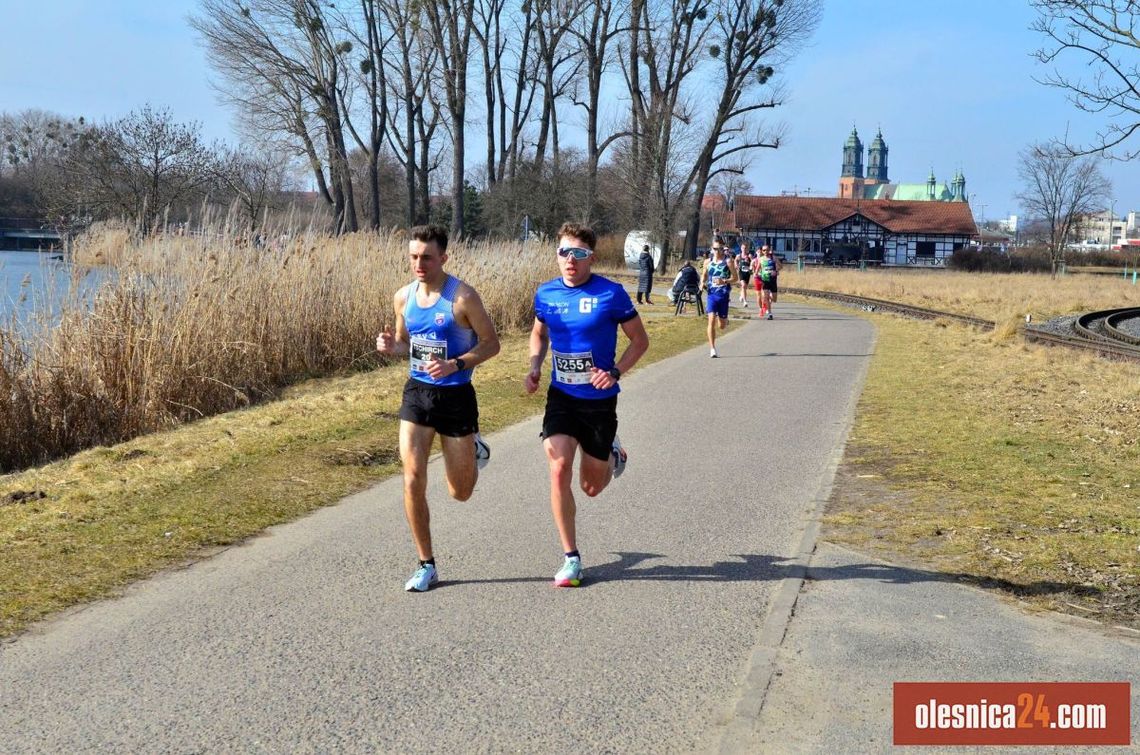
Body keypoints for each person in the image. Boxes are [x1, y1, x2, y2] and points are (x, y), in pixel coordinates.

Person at [376, 224, 501, 592]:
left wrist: (457, 364)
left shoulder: (462, 297)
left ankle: (476, 447)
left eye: (427, 257)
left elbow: (492, 345)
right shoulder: (403, 297)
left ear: (443, 258)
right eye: (414, 256)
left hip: (456, 396)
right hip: (417, 394)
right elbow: (403, 344)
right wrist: (389, 346)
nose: (419, 263)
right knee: (412, 476)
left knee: (460, 492)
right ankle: (426, 563)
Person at [524, 222, 650, 587]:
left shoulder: (611, 294)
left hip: (599, 402)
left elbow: (640, 341)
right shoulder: (546, 294)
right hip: (561, 397)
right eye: (564, 252)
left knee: (591, 488)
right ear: (557, 255)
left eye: (578, 253)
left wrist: (615, 371)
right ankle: (571, 558)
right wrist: (534, 365)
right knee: (559, 466)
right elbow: (538, 332)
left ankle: (613, 453)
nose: (570, 260)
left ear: (591, 257)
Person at [702, 240, 737, 357]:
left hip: (723, 295)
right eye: (715, 249)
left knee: (721, 326)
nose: (717, 251)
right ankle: (712, 348)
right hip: (711, 295)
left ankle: (724, 320)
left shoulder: (728, 262)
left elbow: (735, 278)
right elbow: (704, 274)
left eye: (720, 249)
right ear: (712, 249)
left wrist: (724, 281)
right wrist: (702, 283)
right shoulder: (707, 262)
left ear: (723, 249)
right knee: (710, 320)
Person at [757, 245, 783, 319]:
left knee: (774, 299)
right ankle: (770, 314)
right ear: (762, 251)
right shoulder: (760, 259)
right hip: (765, 280)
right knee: (766, 297)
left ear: (769, 250)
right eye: (764, 250)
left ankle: (771, 297)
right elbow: (757, 269)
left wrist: (776, 271)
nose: (766, 251)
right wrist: (757, 274)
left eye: (767, 250)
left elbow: (781, 266)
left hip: (773, 280)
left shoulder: (773, 257)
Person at [736, 241, 753, 307]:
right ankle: (745, 301)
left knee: (745, 287)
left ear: (747, 249)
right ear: (741, 248)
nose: (744, 249)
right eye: (743, 248)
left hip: (747, 272)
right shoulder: (739, 255)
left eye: (745, 248)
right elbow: (735, 261)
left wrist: (751, 267)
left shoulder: (749, 255)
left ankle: (741, 295)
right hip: (741, 272)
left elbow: (753, 262)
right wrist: (736, 265)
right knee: (743, 285)